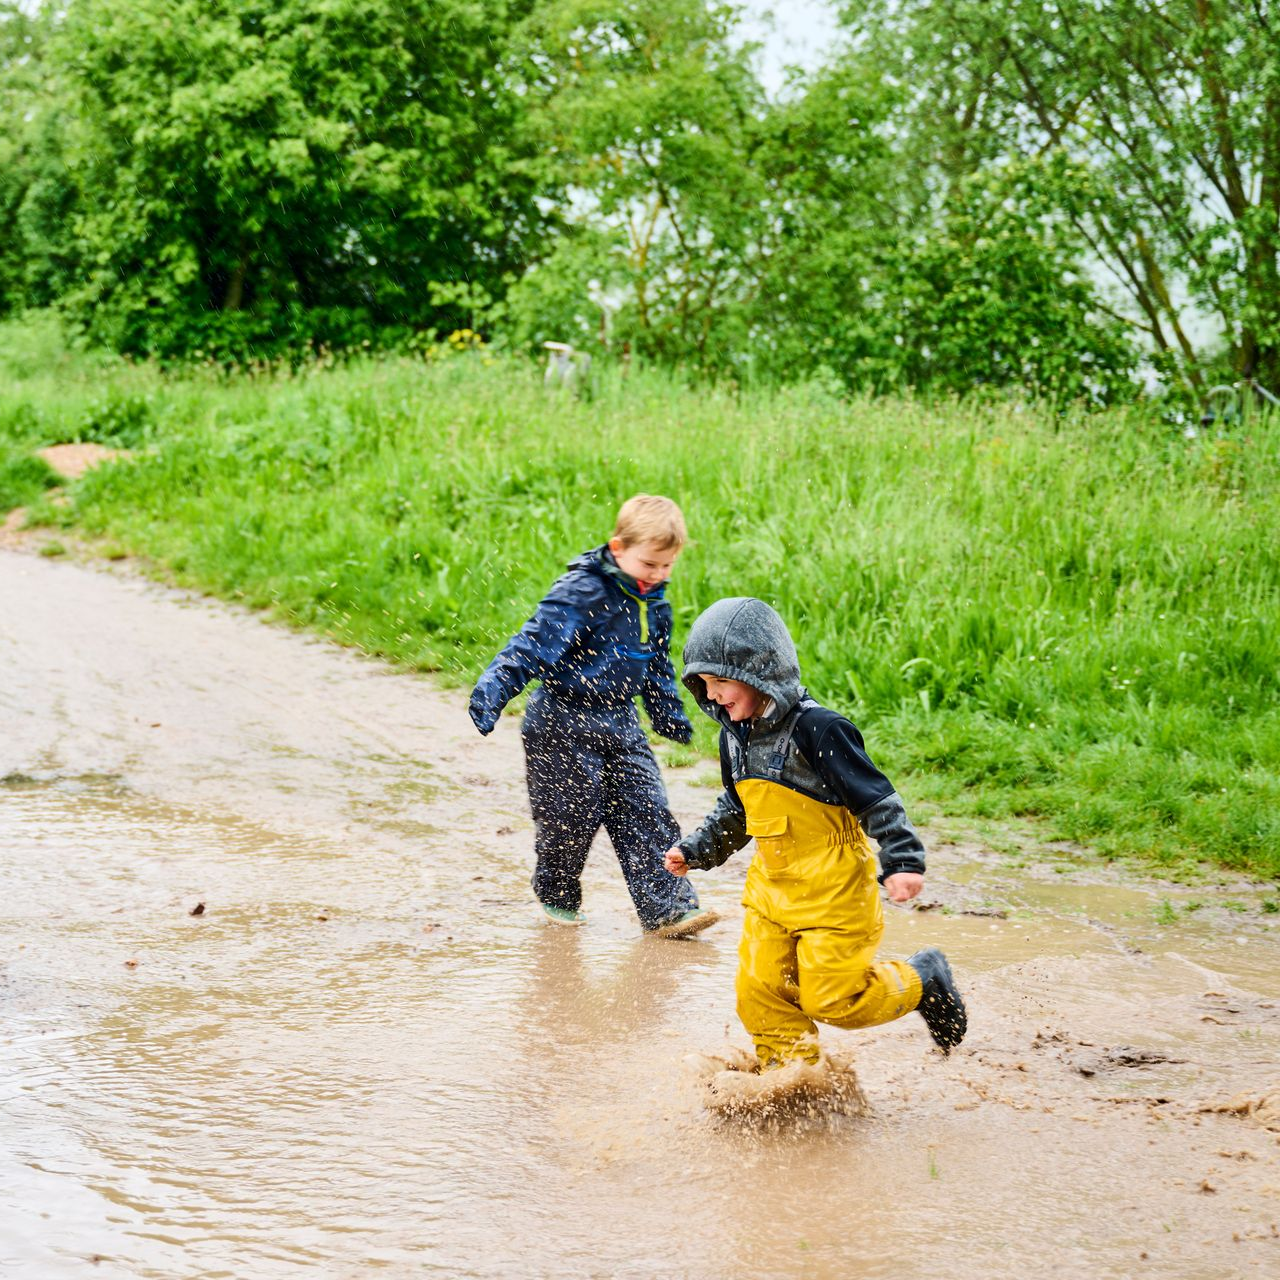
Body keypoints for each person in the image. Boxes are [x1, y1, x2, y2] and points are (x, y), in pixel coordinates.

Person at [664, 597, 966, 1067]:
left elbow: (876, 798)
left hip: (833, 892)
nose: (713, 694)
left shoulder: (818, 730)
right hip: (771, 892)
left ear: (761, 671)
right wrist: (698, 848)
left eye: (722, 681)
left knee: (833, 999)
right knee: (758, 992)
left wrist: (903, 860)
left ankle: (921, 979)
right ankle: (793, 1081)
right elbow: (739, 807)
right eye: (703, 684)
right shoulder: (733, 738)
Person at [469, 494, 719, 939]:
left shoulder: (654, 604)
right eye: (649, 564)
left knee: (648, 811)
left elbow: (655, 663)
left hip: (620, 721)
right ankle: (557, 893)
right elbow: (532, 644)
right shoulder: (581, 592)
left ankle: (668, 909)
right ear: (618, 548)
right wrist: (493, 691)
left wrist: (667, 714)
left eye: (667, 566)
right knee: (569, 817)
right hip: (561, 722)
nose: (658, 576)